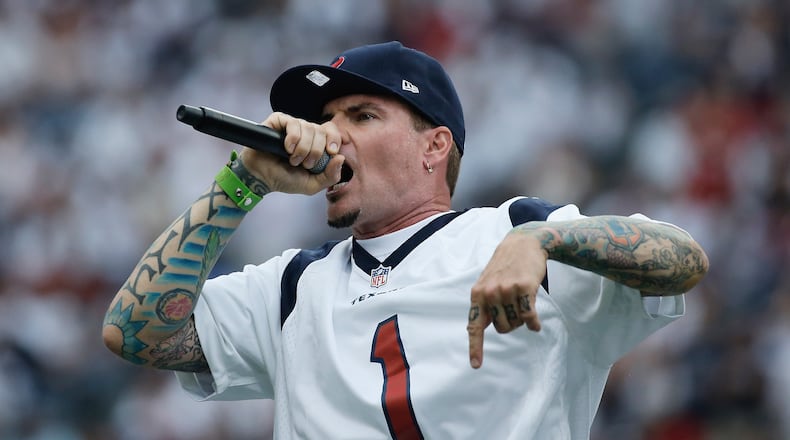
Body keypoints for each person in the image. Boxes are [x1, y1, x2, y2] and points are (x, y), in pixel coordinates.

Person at [102, 41, 709, 439]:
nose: (330, 136)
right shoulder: (291, 286)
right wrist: (242, 182)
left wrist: (546, 241)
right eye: (326, 120)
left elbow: (683, 259)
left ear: (434, 146)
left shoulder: (509, 230)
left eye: (361, 116)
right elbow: (132, 333)